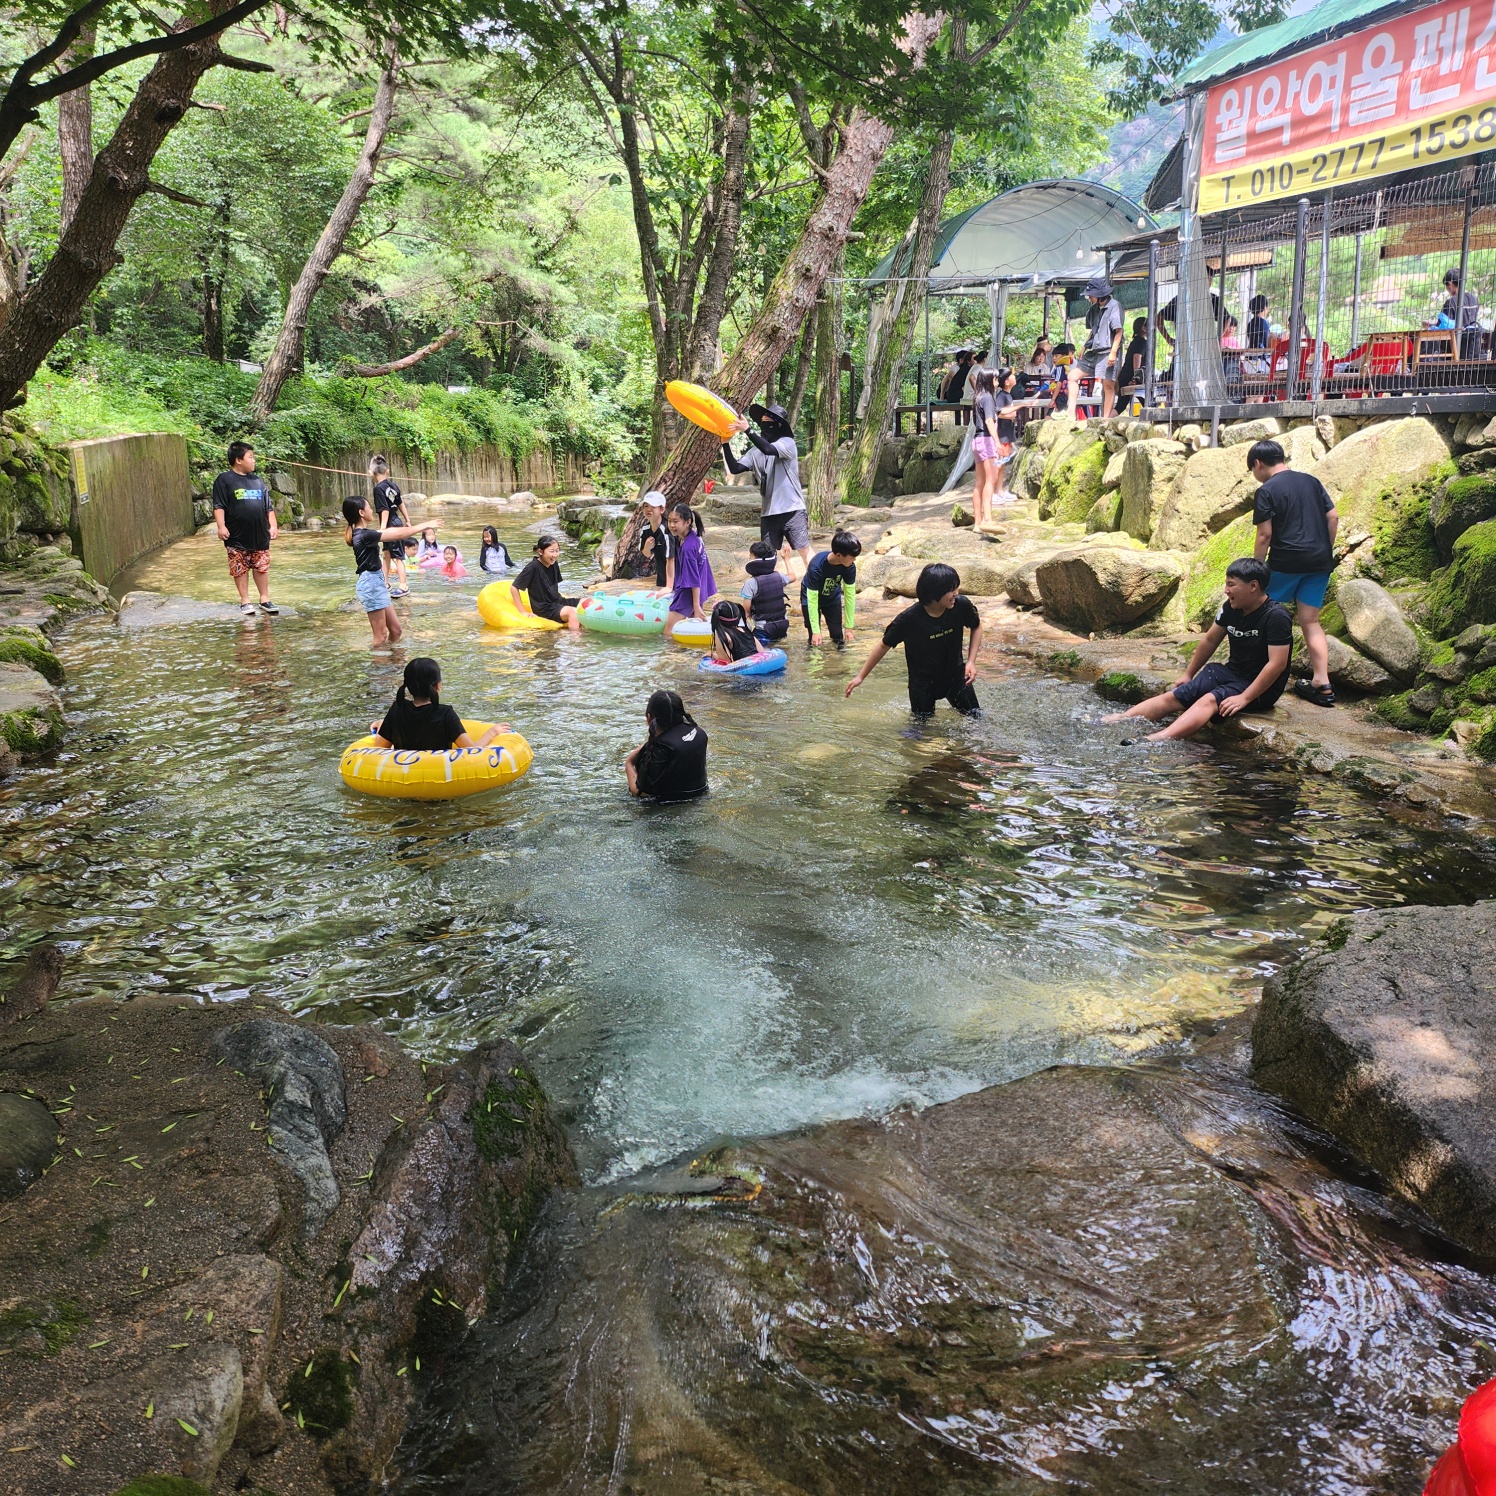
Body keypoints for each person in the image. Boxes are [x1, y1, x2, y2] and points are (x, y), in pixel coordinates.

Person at [1101, 557, 1291, 740]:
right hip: (1232, 673)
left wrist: (1244, 698)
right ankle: (1121, 718)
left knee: (1209, 700)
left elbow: (1277, 664)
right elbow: (1210, 640)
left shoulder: (1276, 616)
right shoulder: (1230, 608)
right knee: (1180, 694)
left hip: (1261, 688)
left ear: (1253, 586)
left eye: (1231, 584)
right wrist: (1188, 674)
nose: (1226, 590)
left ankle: (1158, 738)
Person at [1248, 437, 1340, 708]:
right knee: (1310, 622)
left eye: (1252, 470)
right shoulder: (1311, 481)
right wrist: (1325, 548)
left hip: (1285, 563)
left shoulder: (1267, 490)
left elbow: (1265, 535)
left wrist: (1257, 570)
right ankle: (1322, 683)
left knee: (1263, 617)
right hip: (1319, 562)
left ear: (1258, 463)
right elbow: (1332, 516)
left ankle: (1256, 677)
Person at [845, 562, 982, 716]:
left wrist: (971, 662)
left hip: (956, 676)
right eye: (951, 590)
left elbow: (976, 627)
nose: (956, 593)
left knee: (976, 719)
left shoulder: (960, 605)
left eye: (956, 587)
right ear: (935, 593)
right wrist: (860, 677)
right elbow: (883, 646)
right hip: (923, 684)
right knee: (921, 731)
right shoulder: (908, 620)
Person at [722, 402, 810, 571]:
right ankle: (770, 591)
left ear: (778, 425)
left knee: (805, 551)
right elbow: (735, 468)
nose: (764, 424)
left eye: (768, 420)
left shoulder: (787, 443)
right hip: (769, 513)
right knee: (767, 556)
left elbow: (769, 449)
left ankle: (816, 587)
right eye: (762, 421)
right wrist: (725, 443)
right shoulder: (756, 452)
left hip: (792, 509)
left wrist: (748, 430)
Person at [342, 494, 433, 647]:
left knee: (396, 630)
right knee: (381, 636)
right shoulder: (363, 535)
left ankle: (394, 664)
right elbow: (398, 534)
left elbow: (393, 533)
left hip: (376, 582)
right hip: (370, 584)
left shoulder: (364, 534)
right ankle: (380, 669)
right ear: (361, 512)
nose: (372, 509)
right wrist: (425, 525)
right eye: (369, 506)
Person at [369, 656, 505, 750]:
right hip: (440, 778)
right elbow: (472, 751)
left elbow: (379, 749)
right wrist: (493, 732)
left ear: (407, 686)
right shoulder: (445, 714)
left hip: (404, 777)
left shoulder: (397, 710)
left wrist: (383, 724)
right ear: (437, 686)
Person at [212, 441, 279, 617]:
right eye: (250, 457)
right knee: (239, 568)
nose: (254, 460)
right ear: (238, 460)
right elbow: (219, 505)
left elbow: (268, 507)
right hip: (236, 535)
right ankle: (245, 600)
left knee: (261, 567)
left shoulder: (257, 480)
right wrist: (221, 526)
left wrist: (273, 525)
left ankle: (264, 599)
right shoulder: (224, 480)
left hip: (259, 534)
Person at [625, 689, 708, 801]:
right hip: (701, 795)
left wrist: (629, 763)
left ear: (649, 718)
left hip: (672, 807)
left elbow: (640, 792)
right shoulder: (698, 732)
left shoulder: (660, 748)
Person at [1071, 276, 1124, 419]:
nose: (1089, 298)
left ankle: (1105, 419)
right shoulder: (1093, 310)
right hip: (1094, 351)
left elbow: (1119, 331)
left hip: (1108, 351)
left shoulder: (1114, 306)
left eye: (1091, 295)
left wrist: (1113, 353)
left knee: (1108, 385)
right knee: (1072, 377)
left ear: (1100, 295)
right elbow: (1094, 331)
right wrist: (1084, 347)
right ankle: (1070, 414)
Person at [664, 501, 716, 635]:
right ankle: (691, 654)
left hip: (688, 592)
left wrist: (696, 605)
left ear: (687, 522)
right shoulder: (692, 535)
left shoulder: (688, 547)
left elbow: (693, 579)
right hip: (698, 587)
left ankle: (672, 656)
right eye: (669, 521)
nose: (671, 525)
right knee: (693, 629)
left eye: (675, 521)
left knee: (668, 632)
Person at [802, 530, 860, 646]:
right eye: (852, 557)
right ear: (839, 555)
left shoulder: (849, 567)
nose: (854, 560)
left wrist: (849, 627)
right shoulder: (816, 567)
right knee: (813, 638)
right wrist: (816, 631)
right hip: (810, 598)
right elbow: (812, 599)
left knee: (838, 636)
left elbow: (849, 596)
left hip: (832, 598)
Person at [512, 536, 581, 631]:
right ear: (540, 552)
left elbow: (551, 588)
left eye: (557, 551)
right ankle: (574, 641)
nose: (555, 555)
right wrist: (523, 612)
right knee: (572, 613)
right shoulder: (532, 567)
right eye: (552, 551)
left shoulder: (553, 563)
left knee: (587, 602)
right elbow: (514, 587)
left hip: (558, 602)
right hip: (544, 609)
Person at [371, 455, 409, 598]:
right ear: (387, 471)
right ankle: (385, 583)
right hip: (396, 522)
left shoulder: (378, 489)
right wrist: (408, 520)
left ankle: (403, 586)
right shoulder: (393, 485)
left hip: (390, 526)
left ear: (371, 472)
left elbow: (384, 509)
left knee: (397, 557)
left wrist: (382, 529)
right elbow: (401, 504)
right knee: (386, 554)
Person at [740, 539, 789, 643]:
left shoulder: (751, 583)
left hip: (764, 629)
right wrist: (786, 559)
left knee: (760, 653)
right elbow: (792, 577)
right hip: (783, 626)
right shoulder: (779, 576)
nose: (749, 558)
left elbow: (746, 610)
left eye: (751, 555)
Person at [1438, 268, 1481, 360]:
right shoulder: (1474, 299)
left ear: (1450, 284)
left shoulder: (1451, 302)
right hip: (1473, 348)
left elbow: (1442, 326)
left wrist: (1429, 324)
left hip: (1455, 348)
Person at [633, 490, 673, 589]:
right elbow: (647, 554)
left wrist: (669, 586)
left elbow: (671, 559)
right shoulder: (646, 529)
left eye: (653, 506)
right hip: (662, 573)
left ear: (662, 509)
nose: (648, 510)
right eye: (646, 506)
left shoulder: (667, 530)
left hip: (677, 573)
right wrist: (647, 547)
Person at [1118, 318, 1149, 397]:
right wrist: (1136, 378)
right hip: (1131, 377)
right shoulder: (1142, 342)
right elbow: (1137, 357)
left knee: (1121, 405)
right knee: (1147, 400)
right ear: (1143, 328)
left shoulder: (1136, 341)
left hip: (1125, 375)